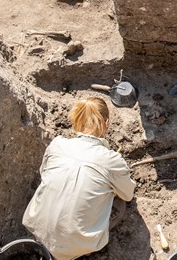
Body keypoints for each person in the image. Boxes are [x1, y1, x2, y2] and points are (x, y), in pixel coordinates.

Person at [23, 97, 136, 259]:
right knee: (119, 204)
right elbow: (128, 194)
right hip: (75, 247)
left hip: (36, 232)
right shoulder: (112, 161)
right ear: (107, 123)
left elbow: (44, 174)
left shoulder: (57, 144)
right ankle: (82, 249)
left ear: (77, 119)